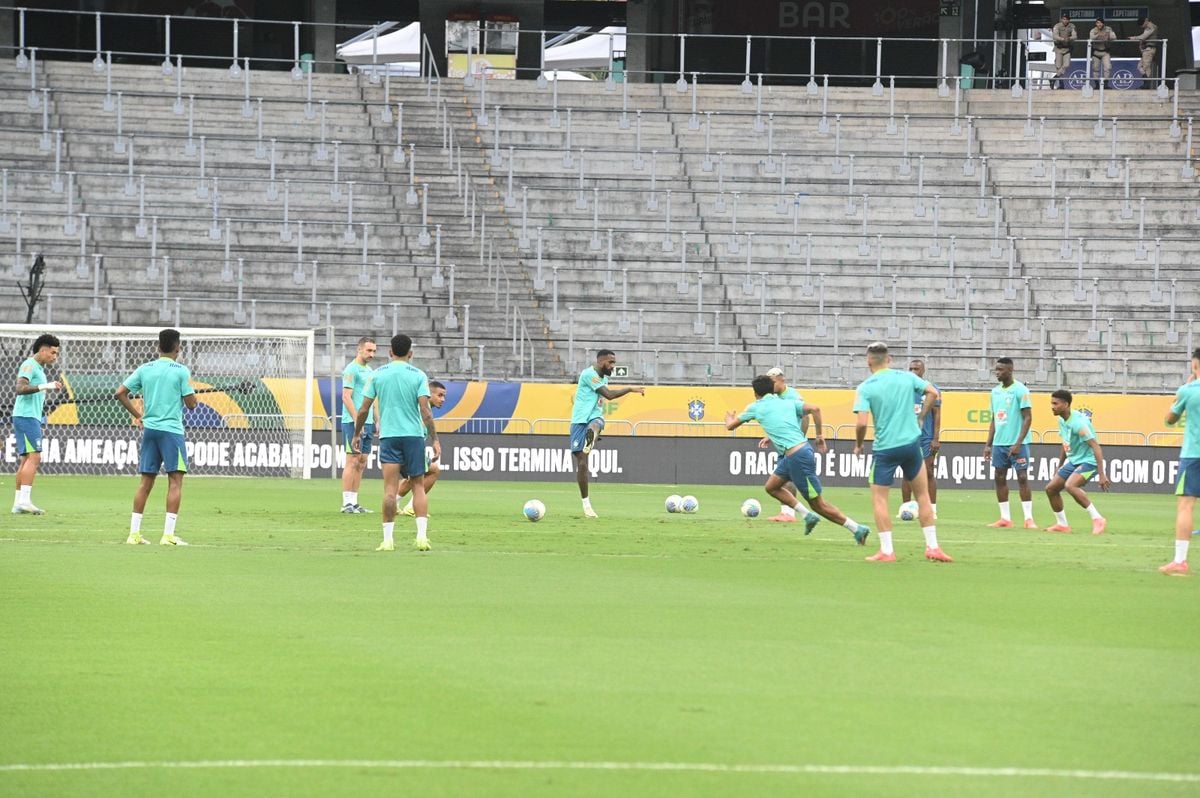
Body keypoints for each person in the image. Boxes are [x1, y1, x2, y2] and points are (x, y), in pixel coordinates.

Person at [726, 374, 870, 545]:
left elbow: (730, 426)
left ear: (755, 392)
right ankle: (806, 515)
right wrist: (819, 436)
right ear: (772, 389)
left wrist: (728, 419)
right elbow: (815, 409)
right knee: (771, 487)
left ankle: (857, 529)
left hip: (798, 457)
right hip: (794, 454)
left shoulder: (755, 407)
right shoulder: (787, 402)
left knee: (819, 505)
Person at [853, 342, 951, 563]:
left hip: (885, 448)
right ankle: (933, 547)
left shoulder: (866, 387)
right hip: (911, 446)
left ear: (869, 361)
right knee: (923, 495)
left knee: (880, 499)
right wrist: (921, 416)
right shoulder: (906, 378)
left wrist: (858, 444)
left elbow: (861, 424)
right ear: (889, 359)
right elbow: (933, 393)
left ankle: (887, 551)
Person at [353, 334, 437, 552]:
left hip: (389, 436)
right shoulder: (418, 375)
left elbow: (364, 409)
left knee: (390, 490)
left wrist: (356, 434)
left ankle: (388, 540)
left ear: (390, 352)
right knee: (418, 485)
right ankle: (421, 537)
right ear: (411, 353)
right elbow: (426, 412)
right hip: (414, 436)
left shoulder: (378, 374)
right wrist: (435, 439)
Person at [115, 329, 197, 546]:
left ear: (158, 347)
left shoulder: (146, 369)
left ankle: (134, 534)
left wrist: (138, 416)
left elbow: (120, 392)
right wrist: (189, 392)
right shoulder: (181, 371)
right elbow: (191, 405)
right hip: (171, 431)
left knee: (145, 482)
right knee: (175, 481)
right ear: (178, 348)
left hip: (150, 430)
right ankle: (168, 536)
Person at [571, 349, 644, 518]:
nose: (613, 366)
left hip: (594, 417)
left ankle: (592, 436)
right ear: (601, 361)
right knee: (582, 463)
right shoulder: (589, 375)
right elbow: (609, 395)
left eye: (614, 363)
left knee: (596, 423)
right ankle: (586, 505)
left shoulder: (604, 376)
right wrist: (630, 389)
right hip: (578, 421)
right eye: (610, 362)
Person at [1043, 390, 1110, 534]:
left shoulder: (1079, 423)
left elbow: (1095, 446)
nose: (1052, 406)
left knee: (1070, 486)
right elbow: (1065, 443)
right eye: (1051, 403)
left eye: (1055, 403)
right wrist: (1060, 465)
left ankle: (1098, 519)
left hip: (1089, 461)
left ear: (1066, 404)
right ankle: (1062, 524)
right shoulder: (1061, 419)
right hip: (1074, 460)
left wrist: (1101, 473)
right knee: (1051, 488)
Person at [11, 333, 62, 515]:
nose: (55, 357)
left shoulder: (39, 369)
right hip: (25, 417)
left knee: (26, 459)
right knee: (35, 457)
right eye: (53, 353)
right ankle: (25, 500)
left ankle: (18, 503)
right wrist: (44, 386)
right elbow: (19, 388)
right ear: (43, 350)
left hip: (29, 417)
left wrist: (39, 418)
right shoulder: (29, 365)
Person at [983, 357, 1037, 529]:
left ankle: (1028, 519)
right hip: (999, 443)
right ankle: (1005, 518)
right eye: (996, 369)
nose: (997, 373)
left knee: (1022, 477)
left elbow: (1027, 417)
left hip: (1017, 443)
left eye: (1000, 370)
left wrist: (1019, 442)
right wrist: (988, 444)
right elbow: (994, 419)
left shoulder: (1021, 390)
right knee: (999, 478)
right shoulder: (995, 392)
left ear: (1010, 370)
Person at [1161, 348, 1200, 575]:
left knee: (1186, 505)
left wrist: (1181, 395)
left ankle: (1180, 560)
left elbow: (1169, 420)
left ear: (1195, 366)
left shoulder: (1188, 390)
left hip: (1194, 454)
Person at [762, 366, 808, 523]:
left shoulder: (793, 396)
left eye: (772, 382)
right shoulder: (775, 398)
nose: (770, 386)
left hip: (792, 445)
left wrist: (800, 438)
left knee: (785, 479)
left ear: (781, 380)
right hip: (784, 444)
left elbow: (806, 416)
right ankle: (787, 512)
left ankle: (789, 513)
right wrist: (770, 436)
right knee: (784, 478)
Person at [339, 336, 377, 514]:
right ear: (359, 350)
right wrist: (357, 421)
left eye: (374, 351)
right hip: (353, 422)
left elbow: (373, 398)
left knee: (362, 461)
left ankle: (354, 502)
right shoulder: (351, 369)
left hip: (368, 422)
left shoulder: (370, 371)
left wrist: (377, 420)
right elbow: (346, 397)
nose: (372, 354)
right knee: (352, 460)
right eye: (369, 350)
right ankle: (346, 503)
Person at [900, 358, 940, 518]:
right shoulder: (903, 390)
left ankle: (932, 510)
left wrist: (936, 438)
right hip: (907, 437)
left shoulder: (932, 389)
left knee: (929, 472)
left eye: (916, 369)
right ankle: (906, 508)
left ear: (923, 371)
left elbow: (937, 416)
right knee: (907, 473)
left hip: (926, 437)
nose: (913, 372)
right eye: (910, 369)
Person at [400, 379, 446, 517]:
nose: (443, 399)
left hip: (404, 445)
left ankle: (394, 504)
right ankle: (412, 507)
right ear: (429, 394)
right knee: (433, 471)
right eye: (440, 395)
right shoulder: (423, 409)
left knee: (412, 478)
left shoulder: (422, 407)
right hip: (410, 447)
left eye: (444, 396)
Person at [1128, 17, 1159, 86]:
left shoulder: (1151, 27)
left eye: (1142, 24)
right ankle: (1146, 82)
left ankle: (1147, 84)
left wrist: (1134, 38)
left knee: (1145, 67)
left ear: (1146, 21)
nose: (1142, 26)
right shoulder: (1147, 27)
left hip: (1149, 49)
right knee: (1140, 66)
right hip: (1146, 49)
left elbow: (1143, 37)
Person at [1050, 13, 1077, 88]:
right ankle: (1061, 85)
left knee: (1066, 65)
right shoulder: (1057, 26)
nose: (1065, 20)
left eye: (1067, 19)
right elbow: (1054, 36)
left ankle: (1054, 78)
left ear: (1069, 20)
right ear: (1061, 19)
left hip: (1067, 48)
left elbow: (1075, 36)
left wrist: (1069, 38)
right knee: (1058, 66)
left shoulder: (1072, 26)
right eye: (1064, 19)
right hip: (1059, 48)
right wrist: (1062, 39)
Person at [1088, 18, 1116, 88]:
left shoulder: (1108, 29)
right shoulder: (1093, 30)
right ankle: (1097, 85)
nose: (1099, 24)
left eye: (1100, 23)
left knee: (1107, 68)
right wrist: (1099, 34)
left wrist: (1107, 35)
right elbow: (1091, 38)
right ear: (1096, 24)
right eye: (1097, 23)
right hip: (1096, 52)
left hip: (1105, 52)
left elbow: (1114, 37)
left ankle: (1105, 85)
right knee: (1095, 69)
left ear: (1103, 23)